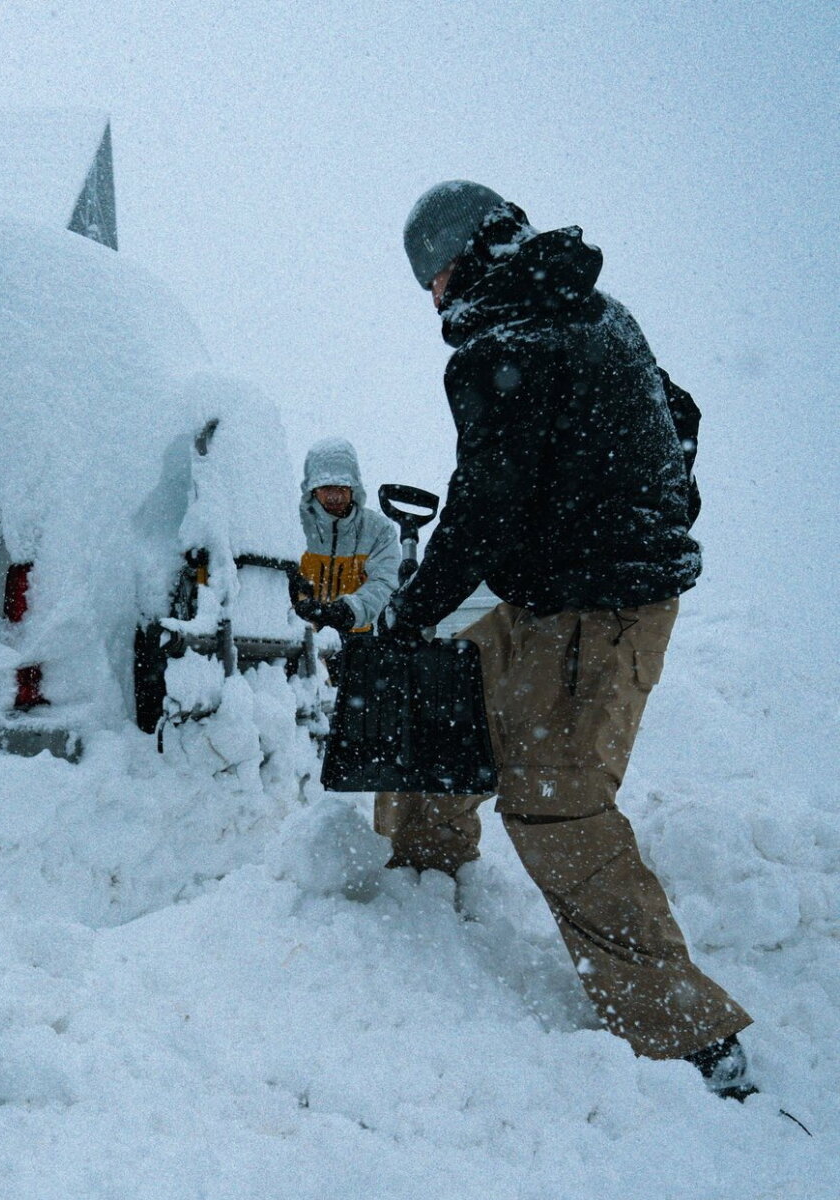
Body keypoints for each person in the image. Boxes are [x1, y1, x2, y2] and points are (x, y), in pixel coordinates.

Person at [378, 181, 753, 1099]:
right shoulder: (587, 310)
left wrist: (409, 605)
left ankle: (687, 1033)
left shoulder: (506, 339)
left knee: (555, 804)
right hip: (561, 589)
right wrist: (645, 507)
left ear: (462, 260)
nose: (433, 300)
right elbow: (681, 415)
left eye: (432, 279)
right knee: (442, 667)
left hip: (594, 609)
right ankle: (421, 873)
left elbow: (482, 512)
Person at [289, 437, 400, 636]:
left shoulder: (378, 531)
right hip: (298, 639)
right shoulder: (290, 525)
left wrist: (348, 610)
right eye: (326, 488)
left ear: (354, 488)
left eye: (341, 488)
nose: (334, 497)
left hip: (358, 642)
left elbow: (385, 583)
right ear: (312, 490)